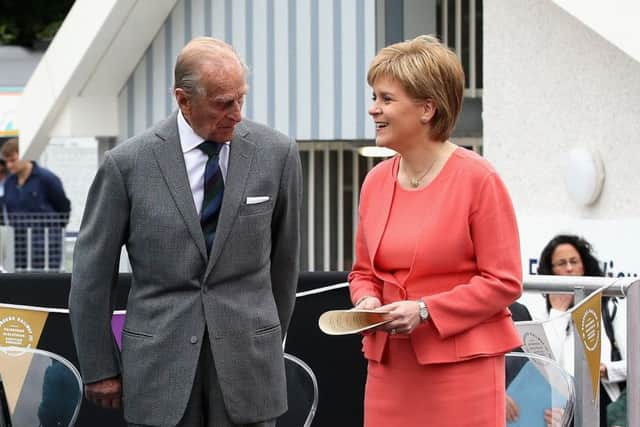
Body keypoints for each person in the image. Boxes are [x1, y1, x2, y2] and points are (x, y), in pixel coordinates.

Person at [68, 37, 302, 427]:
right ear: (183, 100)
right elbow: (92, 276)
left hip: (249, 371)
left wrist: (265, 340)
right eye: (224, 103)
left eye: (241, 99)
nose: (237, 114)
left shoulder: (277, 154)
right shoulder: (127, 164)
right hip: (159, 370)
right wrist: (99, 367)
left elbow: (285, 262)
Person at [348, 35, 523, 427]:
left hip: (461, 371)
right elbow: (363, 273)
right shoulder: (375, 182)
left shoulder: (479, 179)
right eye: (374, 97)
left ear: (427, 108)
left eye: (386, 99)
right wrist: (367, 303)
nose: (373, 109)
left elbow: (504, 281)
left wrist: (426, 310)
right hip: (389, 369)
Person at [537, 234, 626, 427]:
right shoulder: (546, 314)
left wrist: (606, 370)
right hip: (565, 408)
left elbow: (634, 364)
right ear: (550, 271)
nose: (569, 268)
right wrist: (557, 313)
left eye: (574, 261)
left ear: (584, 265)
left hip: (604, 403)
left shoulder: (610, 307)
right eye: (561, 263)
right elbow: (547, 365)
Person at [1, 138, 70, 270]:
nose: (9, 165)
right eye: (6, 161)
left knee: (46, 287)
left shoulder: (47, 178)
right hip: (19, 250)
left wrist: (54, 231)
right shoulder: (9, 182)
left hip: (46, 249)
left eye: (13, 160)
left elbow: (63, 207)